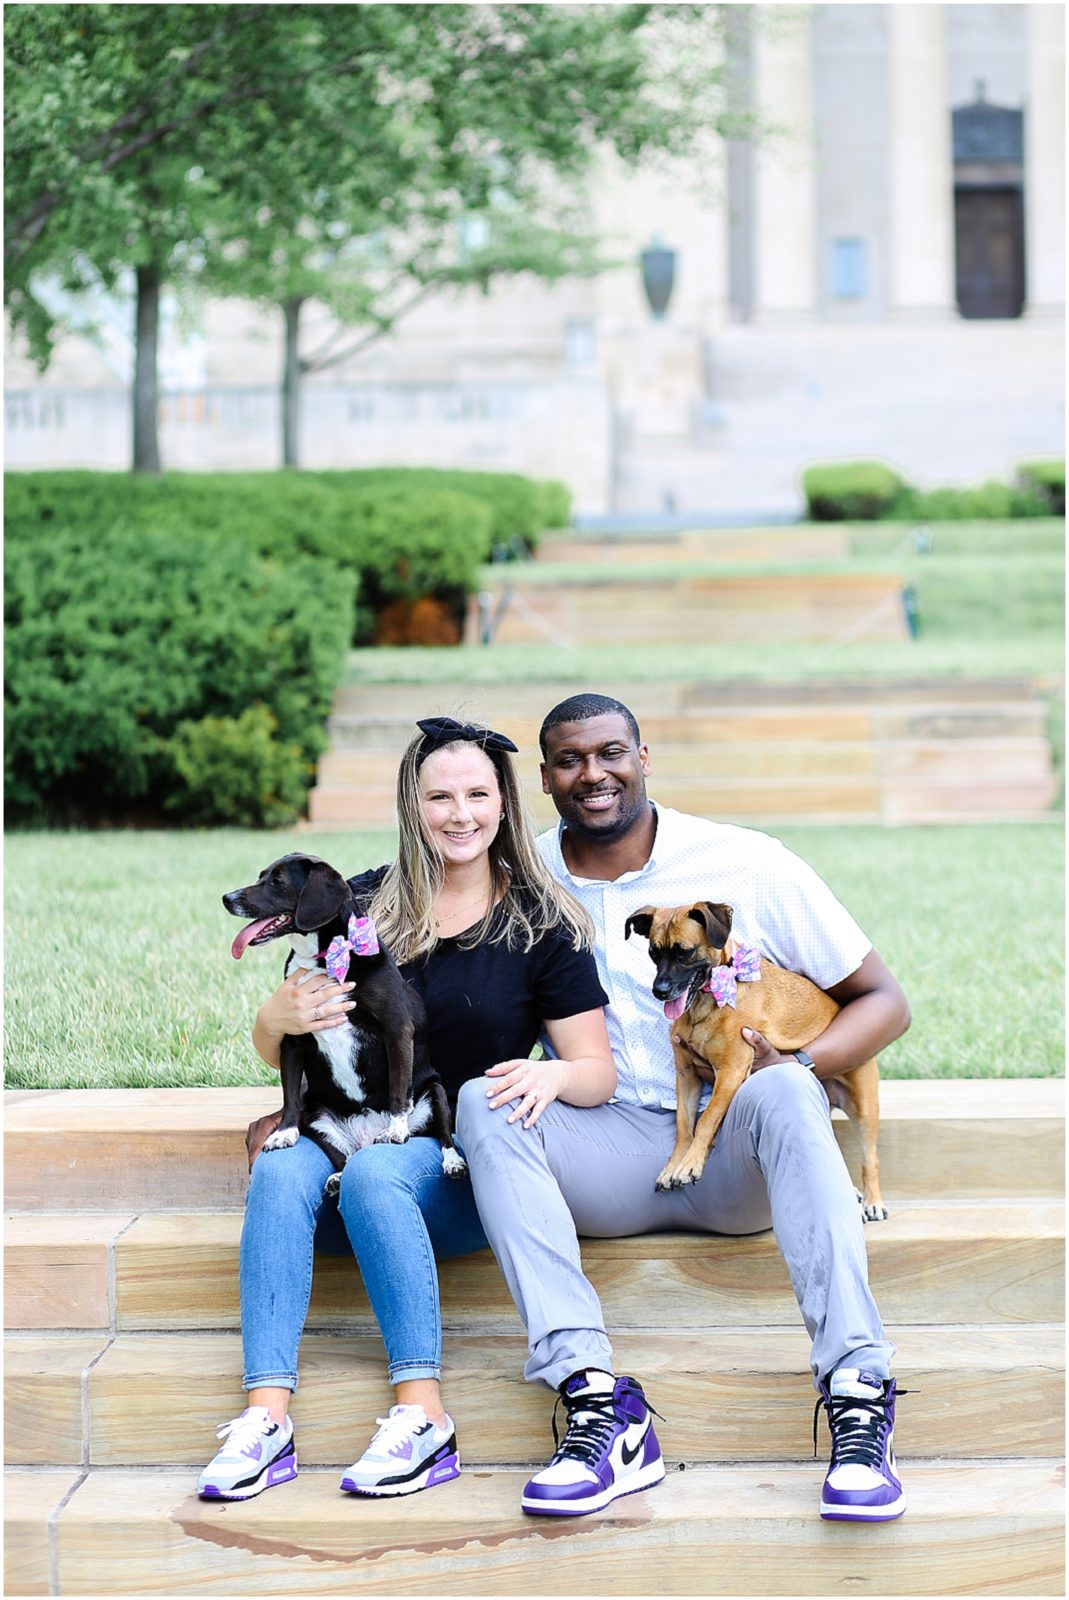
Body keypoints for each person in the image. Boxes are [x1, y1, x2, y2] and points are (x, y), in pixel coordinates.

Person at [454, 692, 912, 1523]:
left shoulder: (745, 863)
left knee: (782, 1083)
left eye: (610, 753)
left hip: (737, 1157)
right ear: (546, 779)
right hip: (602, 1148)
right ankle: (597, 1403)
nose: (592, 774)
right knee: (482, 1101)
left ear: (642, 757)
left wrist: (800, 1060)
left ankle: (856, 1385)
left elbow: (883, 1001)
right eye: (568, 760)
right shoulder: (519, 879)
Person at [198, 716, 617, 1501]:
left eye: (477, 795)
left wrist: (552, 1079)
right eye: (439, 796)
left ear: (504, 805)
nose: (459, 815)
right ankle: (265, 1419)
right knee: (281, 1171)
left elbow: (595, 1071)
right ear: (411, 804)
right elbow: (283, 1039)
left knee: (375, 1175)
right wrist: (275, 1018)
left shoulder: (542, 926)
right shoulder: (356, 902)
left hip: (455, 1160)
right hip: (351, 1134)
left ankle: (422, 1416)